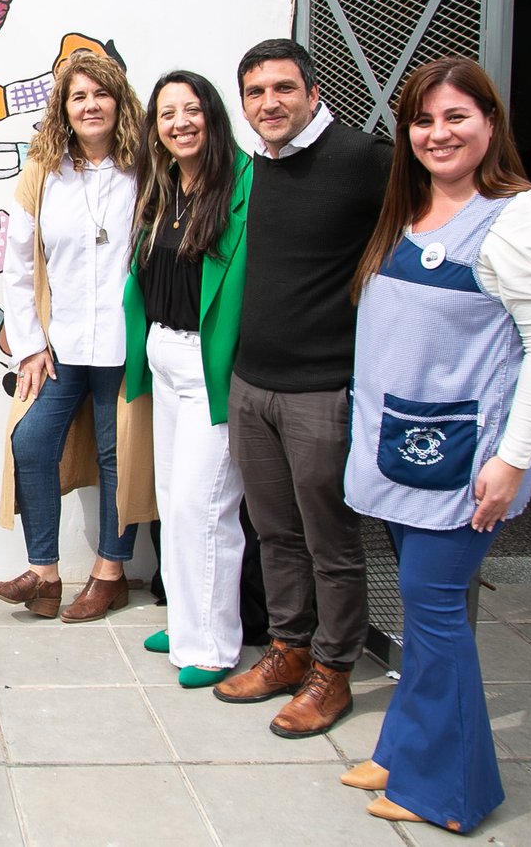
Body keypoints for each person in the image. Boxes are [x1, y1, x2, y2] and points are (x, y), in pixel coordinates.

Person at [341, 57, 531, 831]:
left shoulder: (522, 220)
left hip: (464, 462)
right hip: (403, 450)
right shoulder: (409, 210)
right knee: (423, 609)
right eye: (423, 120)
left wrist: (512, 459)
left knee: (436, 610)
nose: (437, 134)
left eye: (456, 117)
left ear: (490, 123)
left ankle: (449, 791)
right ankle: (405, 751)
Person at [210, 39, 392, 737]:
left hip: (322, 389)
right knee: (274, 532)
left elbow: (427, 219)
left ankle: (333, 670)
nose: (270, 103)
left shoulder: (362, 159)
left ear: (314, 93)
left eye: (284, 88)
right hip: (252, 384)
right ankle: (289, 649)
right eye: (255, 93)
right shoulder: (255, 168)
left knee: (329, 541)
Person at [0, 51, 153, 621]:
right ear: (63, 107)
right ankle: (44, 576)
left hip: (128, 345)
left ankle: (110, 573)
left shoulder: (145, 168)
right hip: (64, 345)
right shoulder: (44, 171)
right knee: (31, 442)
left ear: (119, 102)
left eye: (101, 94)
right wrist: (30, 344)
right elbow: (18, 264)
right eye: (78, 96)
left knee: (117, 453)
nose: (90, 105)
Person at [121, 71, 251, 687]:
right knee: (172, 500)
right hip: (164, 356)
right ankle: (184, 620)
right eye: (167, 113)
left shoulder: (243, 184)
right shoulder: (164, 187)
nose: (180, 123)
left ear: (213, 115)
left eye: (191, 109)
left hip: (209, 366)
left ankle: (213, 646)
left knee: (206, 507)